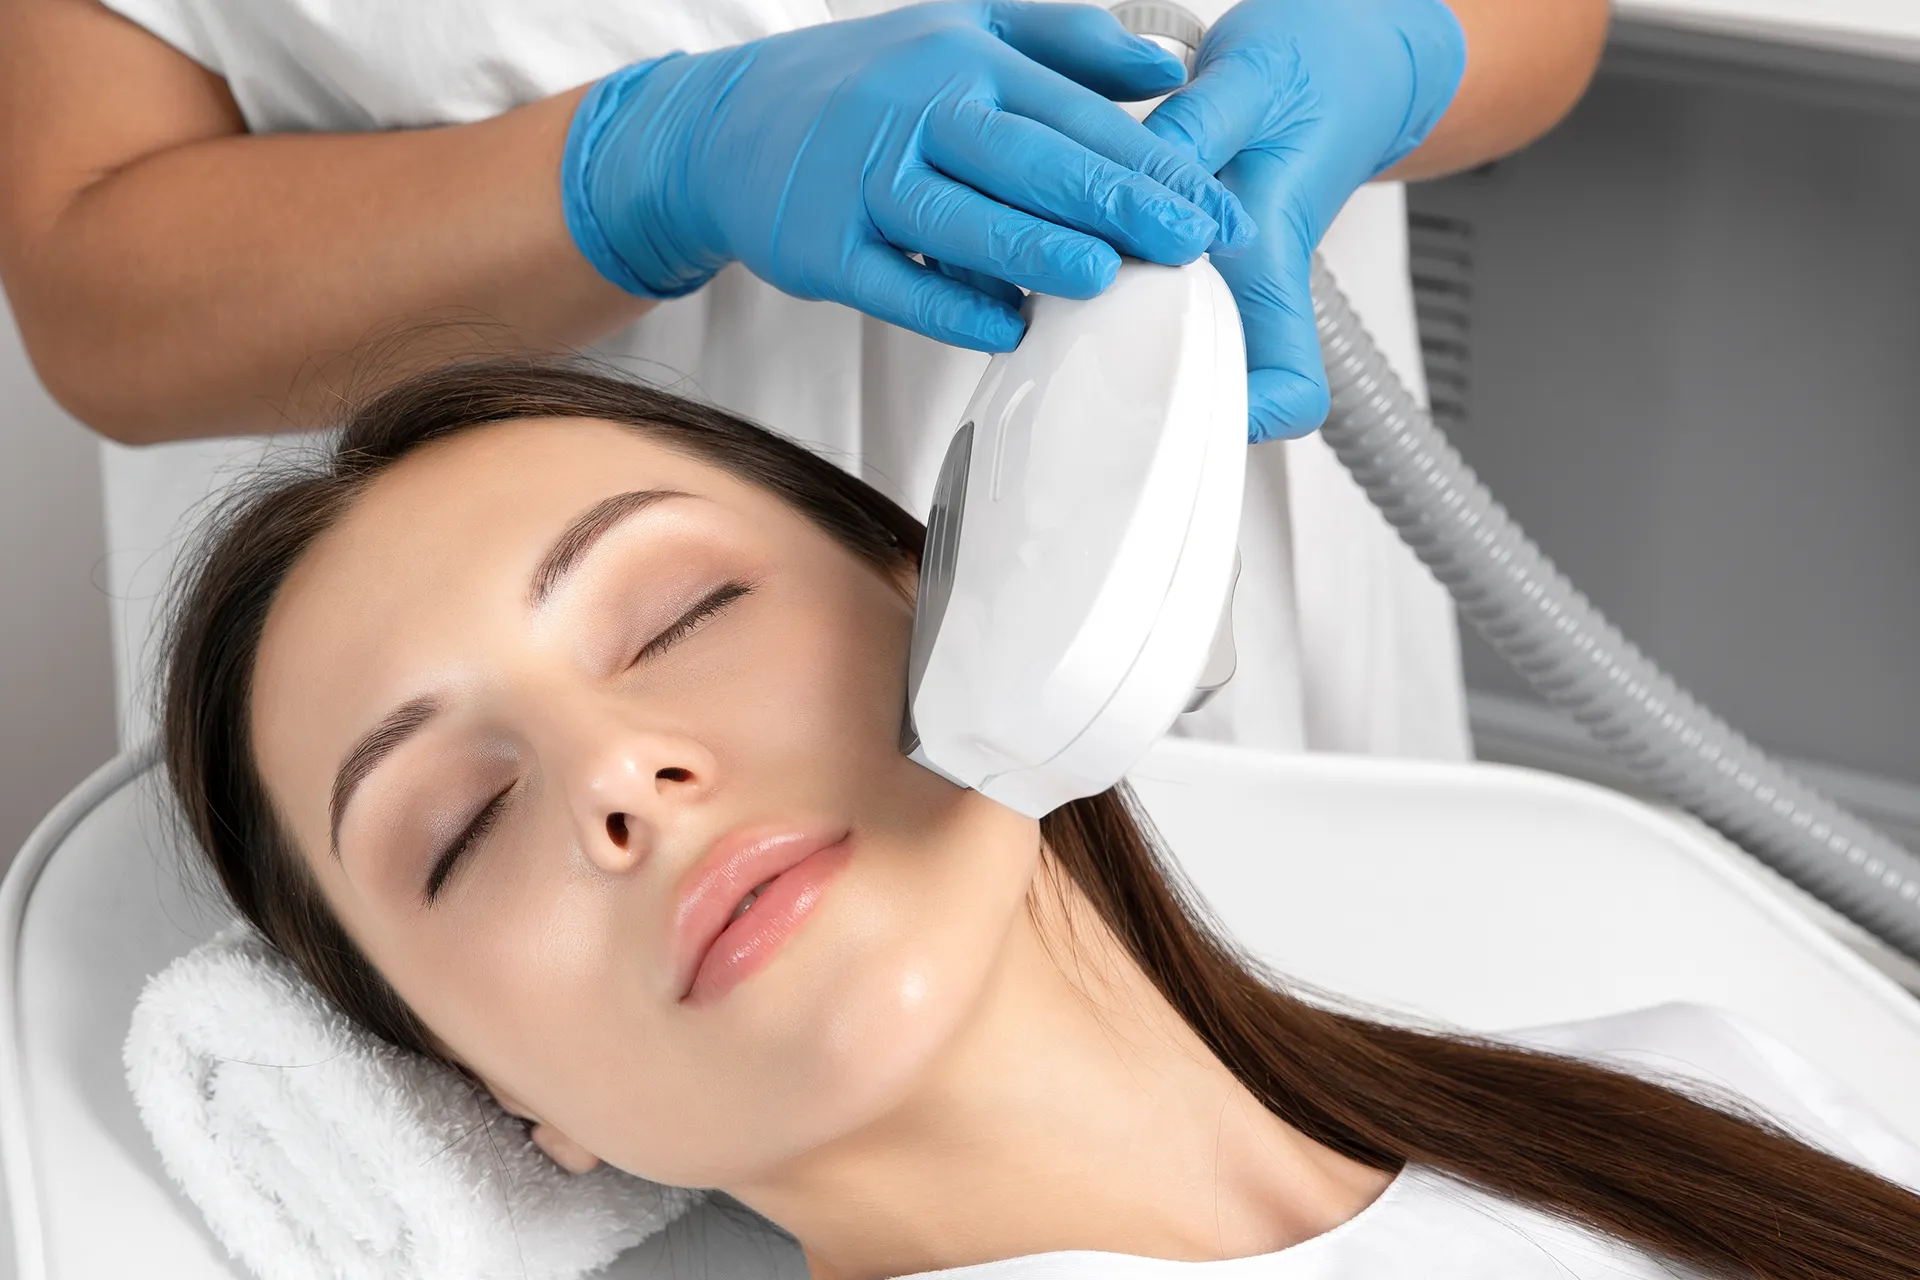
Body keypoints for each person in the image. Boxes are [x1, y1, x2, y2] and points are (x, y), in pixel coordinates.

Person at [164, 361, 1920, 1280]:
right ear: (502, 1100)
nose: (616, 775)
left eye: (678, 615)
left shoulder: (1708, 1102)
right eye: (460, 826)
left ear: (958, 600)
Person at [0, 0, 1610, 753]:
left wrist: (1398, 47)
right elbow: (100, 287)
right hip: (547, 717)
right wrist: (638, 166)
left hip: (1224, 591)